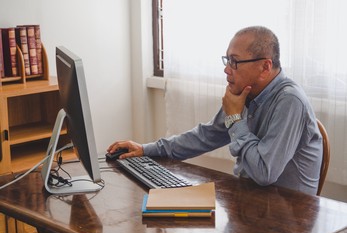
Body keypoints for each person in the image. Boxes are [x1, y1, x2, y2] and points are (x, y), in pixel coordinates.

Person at [108, 26, 322, 195]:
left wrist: (235, 119)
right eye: (227, 60)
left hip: (286, 218)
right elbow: (205, 136)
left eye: (235, 62)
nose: (227, 69)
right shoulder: (245, 94)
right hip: (251, 203)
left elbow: (264, 173)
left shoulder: (290, 101)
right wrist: (146, 149)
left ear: (265, 67)